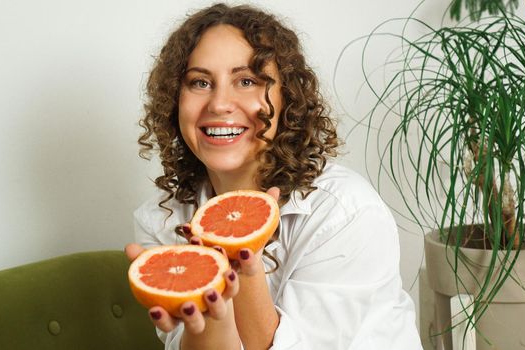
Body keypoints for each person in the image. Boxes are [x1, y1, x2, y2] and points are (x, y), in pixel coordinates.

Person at [125, 3, 422, 349]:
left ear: (287, 99)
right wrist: (214, 317)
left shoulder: (346, 214)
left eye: (247, 81)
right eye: (200, 82)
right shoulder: (161, 221)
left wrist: (244, 270)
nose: (220, 103)